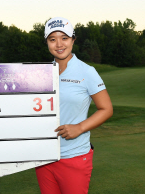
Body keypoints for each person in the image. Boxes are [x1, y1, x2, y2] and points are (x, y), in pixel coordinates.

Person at [35, 17, 113, 194]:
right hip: (44, 156)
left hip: (74, 156)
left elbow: (106, 108)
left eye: (64, 38)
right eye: (52, 39)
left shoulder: (86, 71)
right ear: (47, 42)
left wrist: (80, 127)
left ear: (73, 40)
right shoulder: (41, 73)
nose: (59, 44)